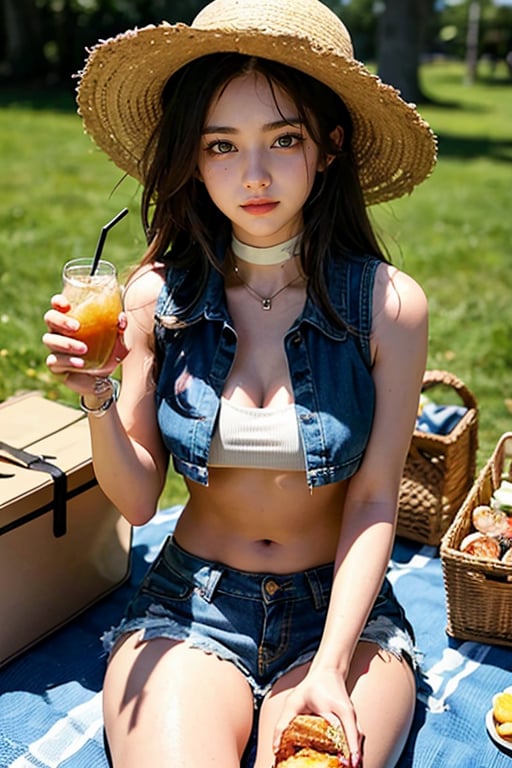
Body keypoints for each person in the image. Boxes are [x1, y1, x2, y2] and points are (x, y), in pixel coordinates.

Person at [43, 1, 436, 766]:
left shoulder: (388, 308)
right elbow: (137, 499)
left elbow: (373, 499)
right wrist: (95, 391)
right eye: (222, 145)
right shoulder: (156, 298)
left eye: (283, 139)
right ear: (194, 159)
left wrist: (328, 665)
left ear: (329, 148)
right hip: (191, 608)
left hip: (344, 620)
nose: (253, 175)